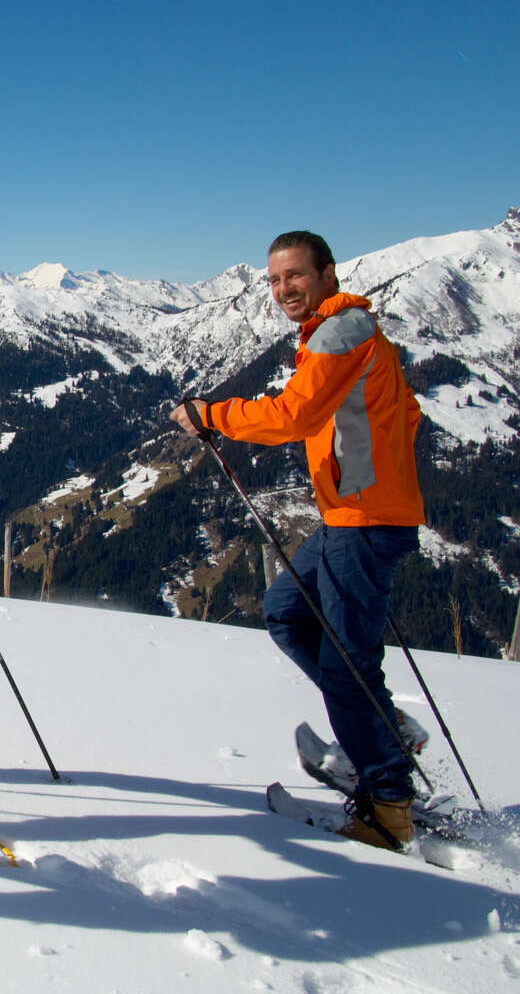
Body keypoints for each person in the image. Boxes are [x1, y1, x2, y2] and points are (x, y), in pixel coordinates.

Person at [169, 229, 426, 851]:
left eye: (296, 276)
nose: (284, 289)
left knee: (347, 664)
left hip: (363, 525)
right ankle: (382, 728)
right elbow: (407, 411)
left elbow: (294, 416)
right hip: (352, 516)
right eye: (275, 280)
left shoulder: (340, 332)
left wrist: (213, 415)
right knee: (287, 612)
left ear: (327, 273)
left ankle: (387, 804)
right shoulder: (340, 332)